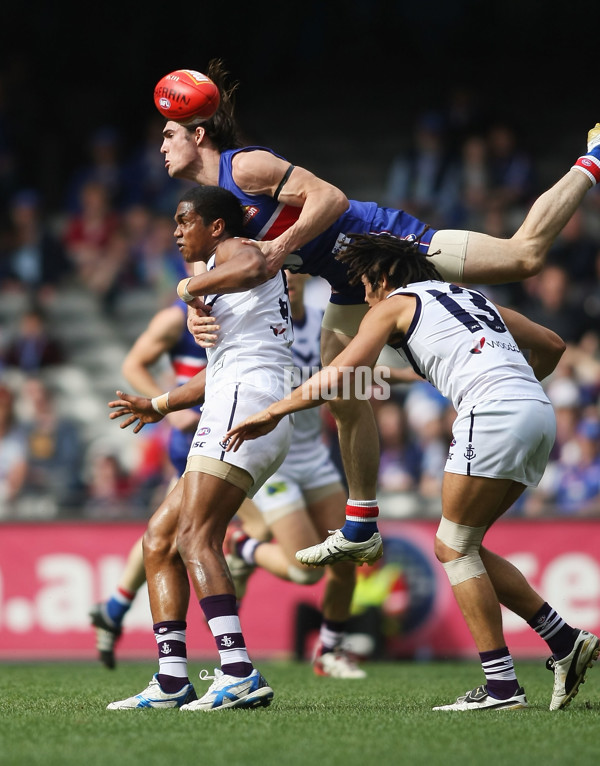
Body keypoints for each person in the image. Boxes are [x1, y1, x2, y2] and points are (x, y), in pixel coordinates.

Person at [161, 58, 600, 565]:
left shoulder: (245, 167)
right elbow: (219, 280)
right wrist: (197, 310)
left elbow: (329, 198)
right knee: (344, 391)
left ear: (197, 135)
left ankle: (591, 160)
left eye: (169, 134)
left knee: (524, 257)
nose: (162, 145)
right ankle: (361, 524)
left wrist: (282, 247)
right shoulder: (205, 210)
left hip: (385, 244)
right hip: (348, 282)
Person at [224, 233, 600, 712]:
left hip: (493, 413)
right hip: (538, 413)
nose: (363, 297)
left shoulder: (394, 303)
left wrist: (274, 410)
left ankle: (502, 687)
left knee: (453, 548)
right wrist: (516, 386)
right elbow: (552, 344)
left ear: (383, 277)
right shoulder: (470, 297)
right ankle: (564, 640)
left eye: (364, 285)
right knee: (467, 544)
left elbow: (342, 373)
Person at [105, 185, 293, 711]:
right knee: (159, 540)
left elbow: (255, 260)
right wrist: (159, 404)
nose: (177, 229)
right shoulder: (224, 281)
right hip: (236, 399)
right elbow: (217, 373)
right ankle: (171, 679)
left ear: (216, 225)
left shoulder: (236, 251)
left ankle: (238, 671)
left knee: (195, 536)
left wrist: (190, 287)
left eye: (185, 220)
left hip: (246, 405)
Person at [225, 269, 365, 678]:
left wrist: (401, 374)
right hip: (274, 460)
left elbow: (348, 370)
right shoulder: (257, 323)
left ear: (305, 276)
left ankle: (330, 649)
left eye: (294, 273)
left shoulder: (325, 321)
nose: (287, 281)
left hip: (313, 456)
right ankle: (243, 549)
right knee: (305, 572)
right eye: (279, 275)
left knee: (349, 551)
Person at [89, 290, 207, 668]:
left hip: (230, 429)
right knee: (176, 536)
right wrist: (170, 408)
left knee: (164, 532)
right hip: (198, 435)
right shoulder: (176, 317)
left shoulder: (245, 300)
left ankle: (115, 606)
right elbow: (134, 365)